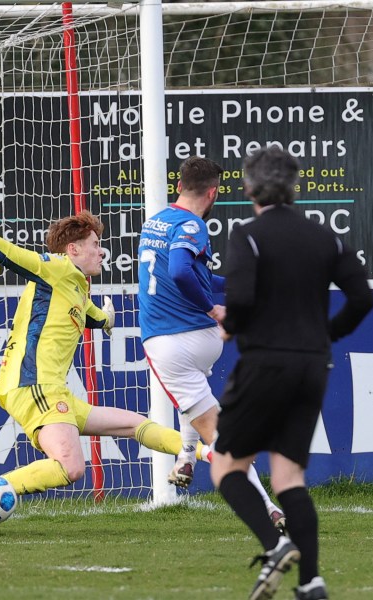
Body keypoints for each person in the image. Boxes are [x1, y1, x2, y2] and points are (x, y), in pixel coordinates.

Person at [0, 189, 196, 532]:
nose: (101, 250)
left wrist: (106, 319)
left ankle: (200, 452)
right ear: (73, 250)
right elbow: (8, 254)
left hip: (52, 391)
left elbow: (90, 316)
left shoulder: (75, 286)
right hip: (34, 385)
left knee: (133, 424)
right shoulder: (55, 268)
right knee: (70, 467)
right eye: (93, 244)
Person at [211, 148, 373, 600]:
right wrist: (325, 334)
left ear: (247, 188)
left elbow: (240, 301)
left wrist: (231, 325)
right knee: (288, 478)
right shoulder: (325, 236)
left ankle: (276, 544)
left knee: (226, 464)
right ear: (293, 186)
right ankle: (312, 582)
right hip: (311, 367)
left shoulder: (248, 235)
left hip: (265, 364)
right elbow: (361, 298)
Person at [138, 156, 285, 530]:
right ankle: (186, 456)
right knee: (196, 404)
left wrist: (213, 306)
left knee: (218, 436)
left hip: (171, 342)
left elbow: (179, 271)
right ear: (213, 192)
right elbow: (190, 274)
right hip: (200, 342)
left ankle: (268, 508)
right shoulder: (194, 225)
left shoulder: (157, 222)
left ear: (179, 187)